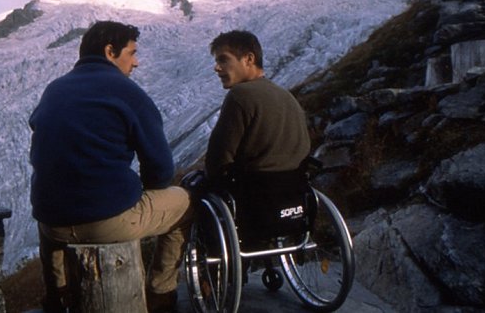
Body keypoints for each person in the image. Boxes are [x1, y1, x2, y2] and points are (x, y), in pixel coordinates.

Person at [29, 20, 192, 313]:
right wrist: (142, 191)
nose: (137, 62)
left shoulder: (54, 89)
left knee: (55, 210)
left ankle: (56, 298)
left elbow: (39, 131)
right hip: (106, 220)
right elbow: (161, 169)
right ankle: (161, 294)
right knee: (184, 203)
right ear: (110, 52)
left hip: (51, 222)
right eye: (132, 53)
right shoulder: (126, 92)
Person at [204, 30, 311, 239]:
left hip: (255, 198)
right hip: (294, 191)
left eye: (223, 60)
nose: (217, 68)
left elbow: (219, 157)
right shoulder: (285, 94)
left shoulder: (240, 95)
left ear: (249, 59)